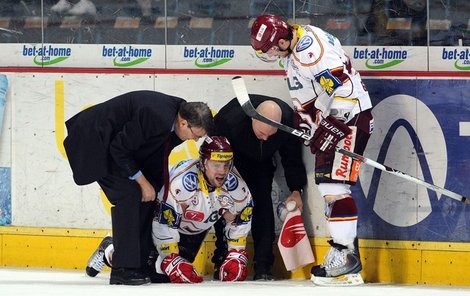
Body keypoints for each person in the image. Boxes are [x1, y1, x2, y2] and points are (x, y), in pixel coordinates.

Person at [250, 15, 374, 285]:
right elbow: (308, 103)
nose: (269, 54)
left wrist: (334, 124)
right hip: (336, 122)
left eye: (270, 48)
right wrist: (311, 126)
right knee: (329, 188)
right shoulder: (294, 52)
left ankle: (345, 259)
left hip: (350, 120)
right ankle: (348, 259)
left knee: (334, 187)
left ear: (283, 41)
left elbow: (346, 89)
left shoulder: (310, 50)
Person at [63, 90, 213, 285]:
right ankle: (122, 269)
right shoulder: (157, 117)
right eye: (195, 135)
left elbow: (156, 149)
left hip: (125, 148)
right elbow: (119, 149)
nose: (194, 140)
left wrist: (155, 187)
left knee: (151, 195)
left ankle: (141, 264)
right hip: (97, 143)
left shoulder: (182, 113)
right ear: (183, 123)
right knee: (130, 194)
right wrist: (142, 183)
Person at [85, 136, 253, 283]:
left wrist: (236, 253)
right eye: (216, 165)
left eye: (226, 165)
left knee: (171, 275)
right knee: (147, 271)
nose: (222, 172)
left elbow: (241, 216)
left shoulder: (236, 186)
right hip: (161, 225)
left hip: (194, 232)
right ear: (203, 163)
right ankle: (110, 250)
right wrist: (170, 258)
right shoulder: (183, 183)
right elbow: (164, 221)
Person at [213, 95, 307, 280]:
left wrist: (296, 189)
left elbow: (292, 158)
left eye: (270, 135)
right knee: (223, 208)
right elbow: (213, 153)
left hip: (261, 163)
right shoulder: (229, 118)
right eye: (262, 133)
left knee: (262, 206)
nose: (265, 139)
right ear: (252, 118)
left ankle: (263, 266)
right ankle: (222, 259)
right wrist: (219, 182)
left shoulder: (288, 121)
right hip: (231, 163)